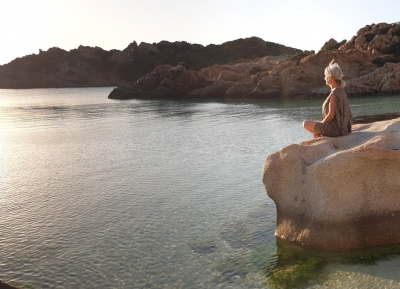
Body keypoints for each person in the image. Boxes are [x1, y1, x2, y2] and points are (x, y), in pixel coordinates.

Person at [303, 60, 352, 138]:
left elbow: (331, 115)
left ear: (330, 77)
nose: (324, 78)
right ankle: (319, 133)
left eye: (325, 76)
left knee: (305, 123)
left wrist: (322, 124)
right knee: (314, 123)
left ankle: (319, 134)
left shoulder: (334, 94)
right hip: (343, 128)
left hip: (335, 130)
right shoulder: (341, 90)